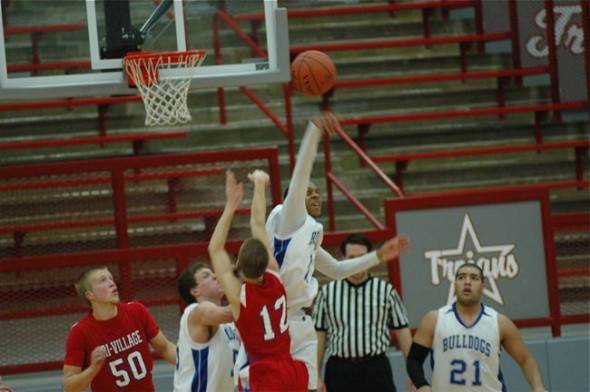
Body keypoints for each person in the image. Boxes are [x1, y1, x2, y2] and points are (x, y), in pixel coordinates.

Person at [263, 111, 411, 390]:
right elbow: (300, 173)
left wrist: (378, 256)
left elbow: (338, 270)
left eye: (318, 192)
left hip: (298, 318)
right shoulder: (290, 217)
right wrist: (314, 131)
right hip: (275, 318)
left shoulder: (307, 232)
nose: (316, 195)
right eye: (310, 193)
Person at [208, 169, 308, 391]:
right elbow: (258, 224)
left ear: (238, 266)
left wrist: (231, 204)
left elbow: (215, 248)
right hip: (291, 371)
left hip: (268, 376)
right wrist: (260, 185)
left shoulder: (239, 296)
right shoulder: (274, 274)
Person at [406, 263, 548, 392]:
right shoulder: (434, 319)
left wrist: (538, 386)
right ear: (455, 284)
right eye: (461, 277)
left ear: (483, 286)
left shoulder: (499, 322)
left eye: (474, 278)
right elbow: (414, 360)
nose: (467, 282)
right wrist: (422, 385)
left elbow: (526, 359)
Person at [313, 233, 412, 392]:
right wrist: (315, 375)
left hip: (376, 368)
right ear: (343, 258)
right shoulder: (327, 294)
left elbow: (403, 332)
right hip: (340, 371)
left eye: (361, 257)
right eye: (352, 257)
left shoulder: (386, 291)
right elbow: (319, 337)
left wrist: (414, 373)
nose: (357, 262)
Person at [63, 266, 176, 392]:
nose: (112, 283)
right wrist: (93, 368)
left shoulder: (136, 311)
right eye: (103, 280)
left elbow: (165, 347)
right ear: (90, 295)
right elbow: (69, 387)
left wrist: (194, 363)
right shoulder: (80, 332)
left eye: (111, 278)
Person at [173, 262, 241, 392]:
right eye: (206, 276)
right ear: (195, 291)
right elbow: (229, 313)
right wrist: (247, 279)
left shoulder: (229, 326)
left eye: (213, 273)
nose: (215, 276)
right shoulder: (196, 311)